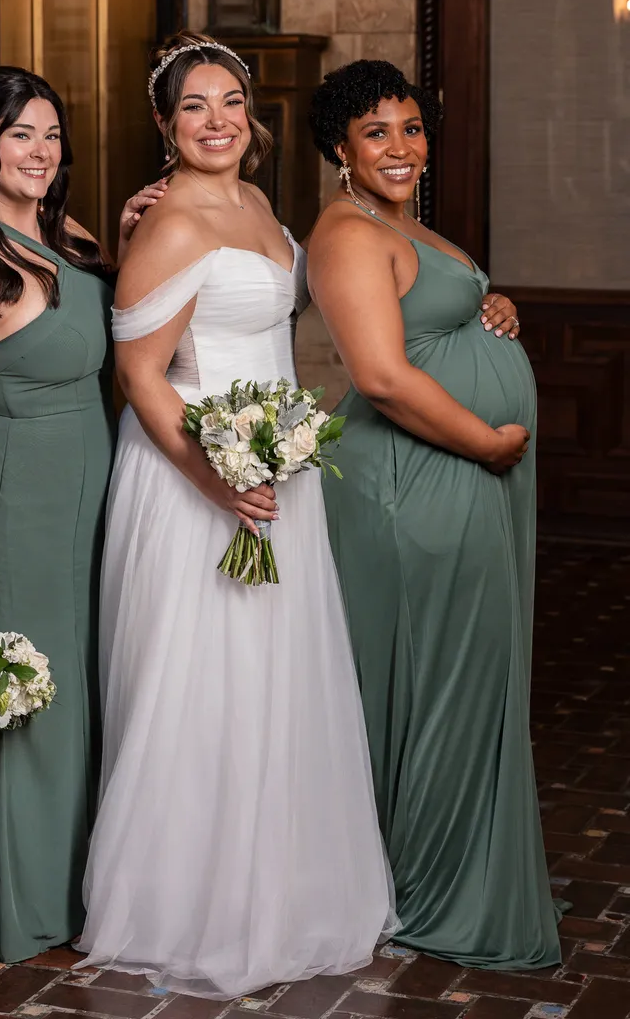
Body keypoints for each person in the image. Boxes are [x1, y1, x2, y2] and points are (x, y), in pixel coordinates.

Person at [74, 33, 397, 999]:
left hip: (271, 470)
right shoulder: (170, 221)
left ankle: (288, 887)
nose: (215, 122)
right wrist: (216, 477)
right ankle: (191, 903)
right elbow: (139, 375)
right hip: (192, 477)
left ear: (250, 118)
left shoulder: (257, 204)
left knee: (275, 682)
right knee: (202, 684)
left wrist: (271, 456)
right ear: (165, 127)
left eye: (229, 104)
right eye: (192, 108)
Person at [0, 65, 165, 965]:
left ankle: (68, 883)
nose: (42, 152)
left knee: (80, 682)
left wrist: (127, 240)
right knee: (16, 687)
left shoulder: (72, 237)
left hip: (88, 487)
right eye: (22, 134)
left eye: (53, 134)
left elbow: (116, 325)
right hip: (8, 495)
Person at [307, 59, 564, 969]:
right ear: (340, 148)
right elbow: (380, 376)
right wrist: (488, 445)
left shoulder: (404, 225)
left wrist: (488, 307)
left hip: (453, 477)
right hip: (412, 483)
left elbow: (427, 321)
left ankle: (445, 867)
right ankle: (420, 882)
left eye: (411, 128)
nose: (402, 147)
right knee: (435, 681)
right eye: (377, 132)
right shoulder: (345, 231)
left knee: (468, 672)